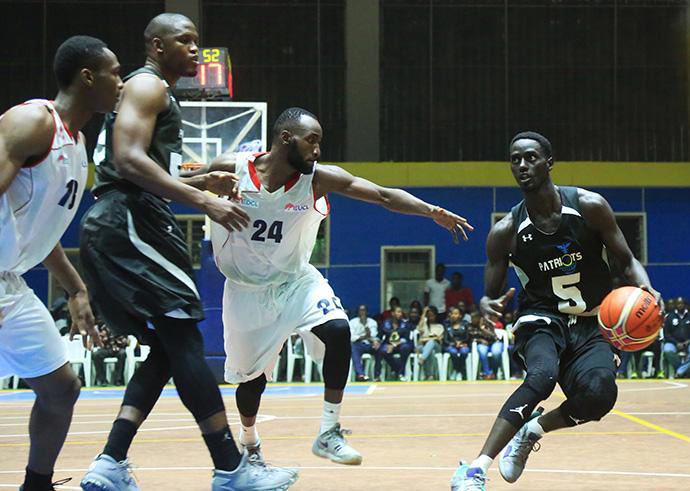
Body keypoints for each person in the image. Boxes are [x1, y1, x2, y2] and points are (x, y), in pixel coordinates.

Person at [78, 14, 295, 490]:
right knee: (186, 339)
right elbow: (126, 162)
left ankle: (110, 461)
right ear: (157, 45)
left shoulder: (156, 92)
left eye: (197, 41)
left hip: (125, 219)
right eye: (185, 41)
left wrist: (198, 180)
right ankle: (229, 467)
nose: (196, 49)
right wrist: (202, 199)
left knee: (168, 348)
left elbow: (142, 166)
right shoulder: (148, 87)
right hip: (131, 219)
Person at [195, 106, 472, 470]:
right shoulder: (233, 167)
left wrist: (431, 211)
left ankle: (329, 431)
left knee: (339, 329)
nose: (317, 150)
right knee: (251, 384)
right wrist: (202, 187)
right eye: (312, 141)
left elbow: (384, 195)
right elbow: (171, 185)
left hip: (295, 280)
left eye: (319, 143)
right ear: (285, 138)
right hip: (246, 291)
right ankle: (250, 440)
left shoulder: (318, 180)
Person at [451, 131, 660, 490]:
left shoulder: (589, 207)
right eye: (515, 159)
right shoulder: (506, 231)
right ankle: (475, 469)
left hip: (593, 321)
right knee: (542, 377)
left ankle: (532, 430)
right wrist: (486, 304)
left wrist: (646, 288)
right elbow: (489, 294)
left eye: (530, 157)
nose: (522, 165)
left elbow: (626, 261)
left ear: (549, 162)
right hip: (541, 320)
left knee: (599, 396)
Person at [0, 35, 119, 491]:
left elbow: (40, 231)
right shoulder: (33, 121)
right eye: (115, 72)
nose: (122, 83)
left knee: (60, 389)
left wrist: (77, 288)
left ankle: (36, 485)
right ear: (87, 77)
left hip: (11, 281)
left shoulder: (78, 143)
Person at [662, 297, 690, 378]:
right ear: (675, 305)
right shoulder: (669, 317)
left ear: (685, 305)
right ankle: (684, 371)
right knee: (667, 350)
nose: (680, 305)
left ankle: (680, 372)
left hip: (689, 342)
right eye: (678, 303)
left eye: (682, 303)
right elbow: (666, 334)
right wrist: (676, 343)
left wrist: (688, 341)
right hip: (673, 343)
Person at [378, 306, 414, 381]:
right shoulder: (386, 323)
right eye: (398, 312)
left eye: (401, 312)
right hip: (388, 345)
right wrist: (376, 341)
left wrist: (394, 345)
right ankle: (398, 370)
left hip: (401, 345)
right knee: (383, 350)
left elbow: (406, 339)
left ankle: (401, 373)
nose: (400, 314)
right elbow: (380, 335)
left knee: (406, 347)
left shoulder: (405, 324)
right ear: (393, 313)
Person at [468, 312, 502, 380]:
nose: (472, 320)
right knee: (483, 352)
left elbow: (495, 337)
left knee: (496, 352)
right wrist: (480, 340)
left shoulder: (489, 324)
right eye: (471, 318)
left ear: (480, 318)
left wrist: (483, 329)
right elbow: (470, 338)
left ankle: (494, 372)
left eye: (474, 318)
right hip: (481, 344)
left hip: (494, 343)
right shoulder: (470, 326)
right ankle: (487, 373)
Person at [349, 305, 379, 382]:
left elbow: (374, 335)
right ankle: (361, 374)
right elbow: (352, 337)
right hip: (358, 345)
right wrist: (365, 336)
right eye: (360, 311)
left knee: (379, 349)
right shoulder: (352, 322)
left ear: (367, 312)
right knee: (353, 349)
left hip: (369, 344)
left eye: (364, 310)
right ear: (358, 312)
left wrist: (368, 336)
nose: (362, 312)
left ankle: (377, 375)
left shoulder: (372, 322)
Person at [416, 306, 445, 380]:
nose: (431, 317)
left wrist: (427, 339)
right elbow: (419, 328)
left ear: (436, 315)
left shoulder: (440, 326)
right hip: (422, 347)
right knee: (429, 351)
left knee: (431, 342)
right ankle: (430, 376)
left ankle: (422, 359)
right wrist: (423, 313)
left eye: (432, 315)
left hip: (436, 346)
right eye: (429, 315)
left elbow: (438, 339)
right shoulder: (424, 325)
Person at [444, 306, 471, 381]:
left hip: (463, 344)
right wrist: (454, 344)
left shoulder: (465, 324)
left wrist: (461, 342)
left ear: (460, 315)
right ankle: (460, 371)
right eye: (452, 313)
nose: (453, 315)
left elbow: (468, 337)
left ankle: (457, 371)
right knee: (453, 352)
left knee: (464, 352)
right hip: (451, 345)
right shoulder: (447, 325)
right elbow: (445, 340)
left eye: (456, 313)